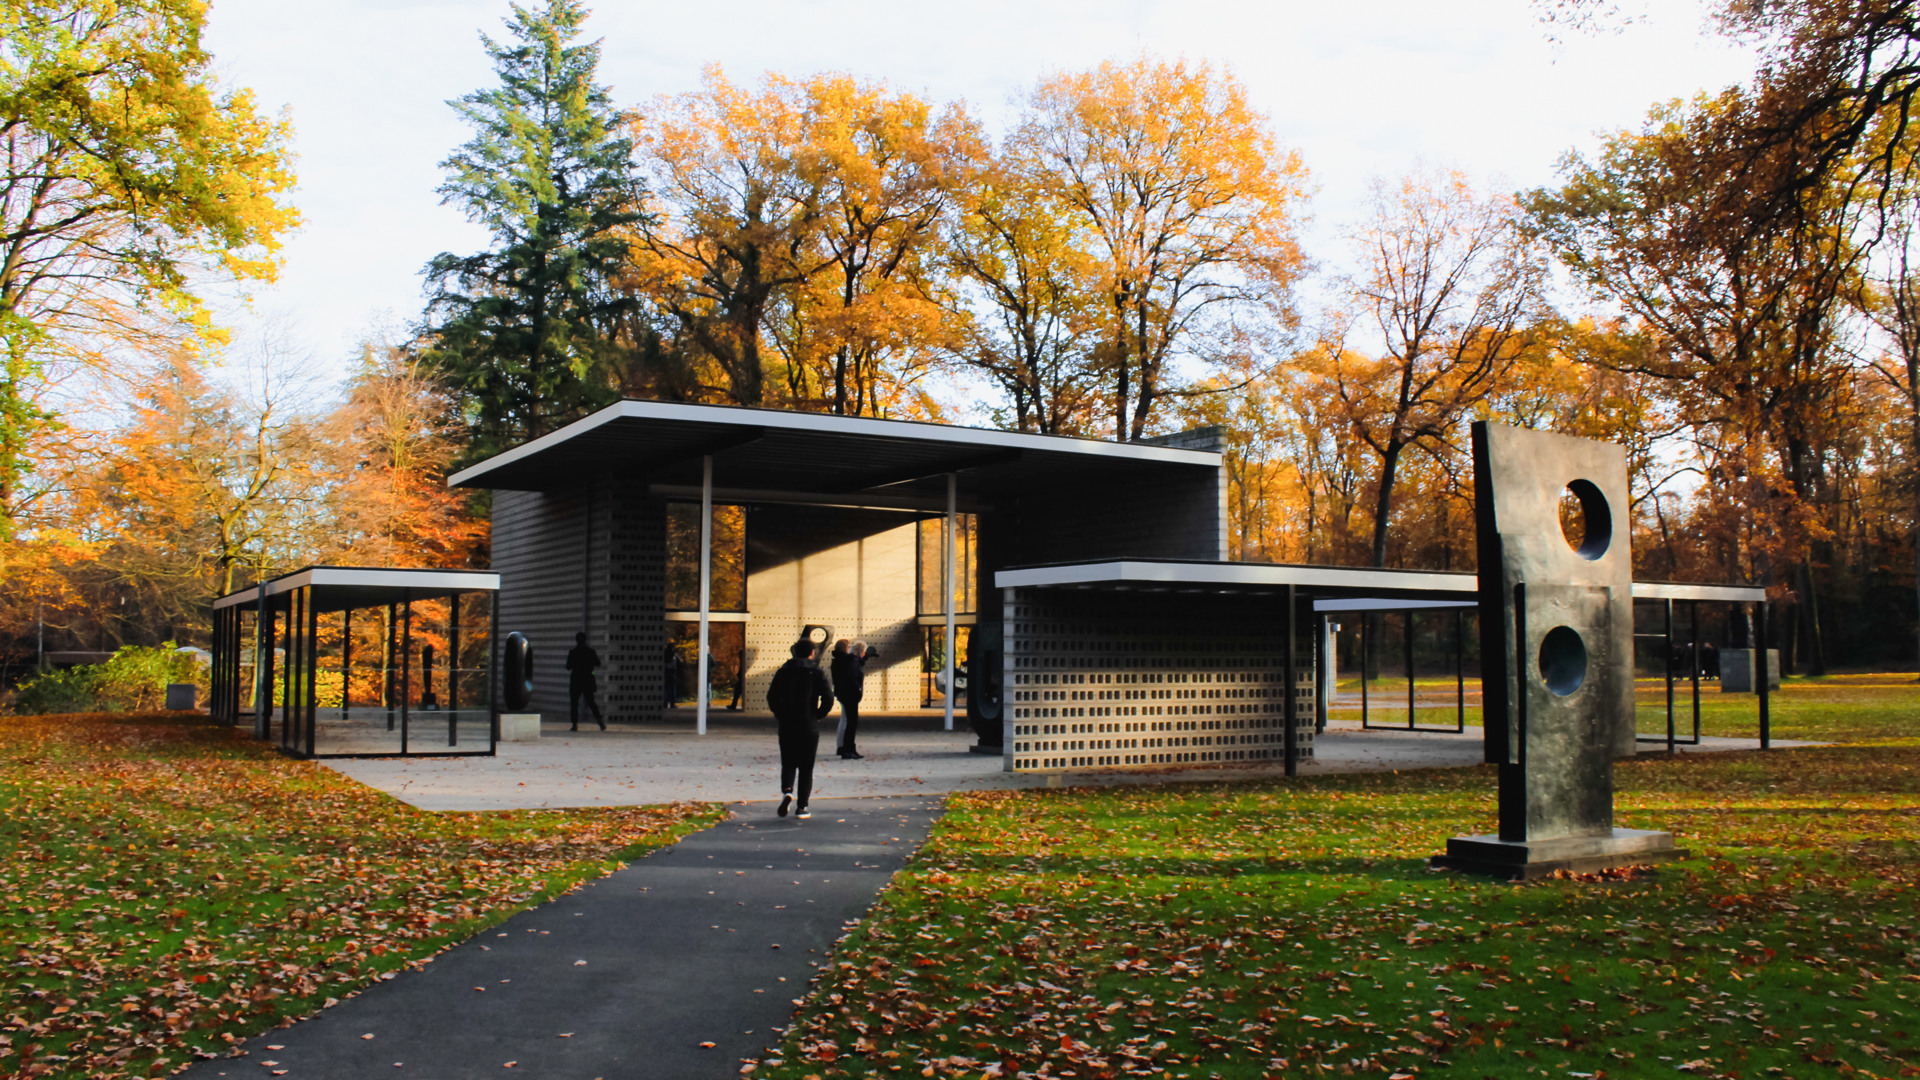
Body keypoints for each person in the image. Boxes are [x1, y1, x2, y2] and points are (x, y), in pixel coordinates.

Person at [768, 639, 833, 819]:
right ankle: (802, 806)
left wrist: (780, 714)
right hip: (808, 723)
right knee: (806, 767)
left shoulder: (783, 672)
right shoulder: (816, 672)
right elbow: (828, 698)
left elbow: (772, 697)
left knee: (788, 762)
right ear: (811, 652)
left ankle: (787, 790)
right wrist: (818, 715)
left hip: (787, 723)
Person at [829, 638, 877, 759]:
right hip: (850, 694)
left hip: (843, 693)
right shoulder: (848, 660)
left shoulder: (839, 659)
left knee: (845, 720)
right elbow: (853, 672)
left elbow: (856, 662)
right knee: (850, 722)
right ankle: (848, 748)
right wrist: (857, 691)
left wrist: (863, 658)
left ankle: (843, 747)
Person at [566, 632, 606, 731]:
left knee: (574, 703)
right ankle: (600, 722)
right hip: (588, 679)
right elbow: (598, 663)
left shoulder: (573, 652)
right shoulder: (591, 652)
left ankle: (574, 725)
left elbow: (568, 666)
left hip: (576, 679)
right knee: (591, 702)